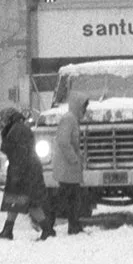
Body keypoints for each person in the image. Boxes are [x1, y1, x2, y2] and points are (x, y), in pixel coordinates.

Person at [0, 106, 53, 239]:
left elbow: (19, 153)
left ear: (9, 118)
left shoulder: (17, 130)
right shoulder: (18, 128)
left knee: (26, 202)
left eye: (3, 120)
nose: (2, 123)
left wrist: (18, 174)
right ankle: (8, 229)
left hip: (23, 172)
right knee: (17, 201)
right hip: (26, 170)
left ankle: (46, 228)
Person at [48, 93, 89, 235]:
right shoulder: (69, 120)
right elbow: (63, 141)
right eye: (84, 107)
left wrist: (78, 156)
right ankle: (50, 226)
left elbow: (69, 143)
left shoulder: (71, 119)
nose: (85, 111)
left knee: (72, 198)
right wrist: (74, 158)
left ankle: (73, 226)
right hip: (67, 168)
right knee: (64, 198)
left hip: (70, 168)